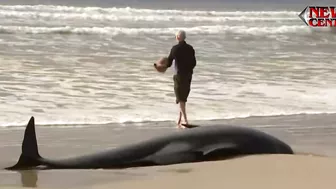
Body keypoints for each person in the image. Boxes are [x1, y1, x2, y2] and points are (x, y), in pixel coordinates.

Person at [166, 30, 196, 128]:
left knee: (180, 98)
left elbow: (169, 63)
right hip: (188, 75)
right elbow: (194, 63)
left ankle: (185, 120)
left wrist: (158, 65)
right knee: (183, 98)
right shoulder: (190, 48)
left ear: (178, 37)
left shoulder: (175, 49)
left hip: (179, 75)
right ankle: (179, 120)